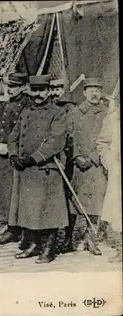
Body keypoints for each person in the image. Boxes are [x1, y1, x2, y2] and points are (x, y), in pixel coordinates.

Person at [7, 74, 69, 263]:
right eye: (35, 90)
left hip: (46, 168)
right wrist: (13, 155)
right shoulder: (26, 112)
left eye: (42, 90)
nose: (38, 94)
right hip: (27, 170)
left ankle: (48, 249)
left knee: (47, 210)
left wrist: (33, 159)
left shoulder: (58, 113)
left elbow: (55, 141)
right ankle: (34, 245)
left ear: (49, 91)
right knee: (29, 210)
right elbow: (13, 136)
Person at [64, 78, 109, 255]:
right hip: (77, 165)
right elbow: (69, 138)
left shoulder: (106, 113)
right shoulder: (74, 113)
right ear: (84, 92)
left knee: (96, 203)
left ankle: (91, 240)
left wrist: (92, 158)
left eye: (98, 89)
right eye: (90, 89)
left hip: (97, 166)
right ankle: (68, 239)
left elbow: (109, 140)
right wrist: (75, 157)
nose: (94, 93)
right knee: (73, 203)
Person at [0, 73, 29, 245]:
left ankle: (20, 228)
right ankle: (10, 227)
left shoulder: (27, 105)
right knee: (5, 193)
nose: (9, 90)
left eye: (13, 87)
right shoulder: (4, 105)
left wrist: (9, 148)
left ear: (22, 87)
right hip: (2, 155)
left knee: (17, 192)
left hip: (17, 155)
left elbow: (24, 131)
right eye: (8, 86)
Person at [97, 100, 122, 263]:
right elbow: (102, 142)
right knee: (118, 209)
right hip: (118, 170)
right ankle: (121, 249)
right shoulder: (113, 118)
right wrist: (109, 159)